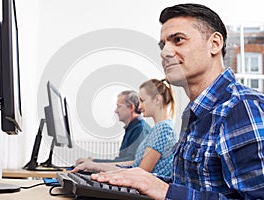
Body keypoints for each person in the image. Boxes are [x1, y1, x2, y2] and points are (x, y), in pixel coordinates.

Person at [90, 3, 264, 199]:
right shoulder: (196, 113)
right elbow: (189, 186)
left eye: (178, 40)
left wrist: (165, 190)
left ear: (214, 44)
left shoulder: (241, 107)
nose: (165, 53)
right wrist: (140, 179)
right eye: (163, 45)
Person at [73, 79, 177, 175]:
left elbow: (140, 174)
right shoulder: (158, 128)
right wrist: (96, 166)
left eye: (143, 100)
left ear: (157, 100)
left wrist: (98, 167)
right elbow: (135, 163)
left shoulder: (163, 129)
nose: (139, 106)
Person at [76, 90, 151, 164]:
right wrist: (93, 161)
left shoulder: (140, 128)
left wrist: (94, 162)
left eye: (119, 106)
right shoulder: (133, 127)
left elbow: (129, 162)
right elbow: (122, 160)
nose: (116, 111)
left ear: (131, 107)